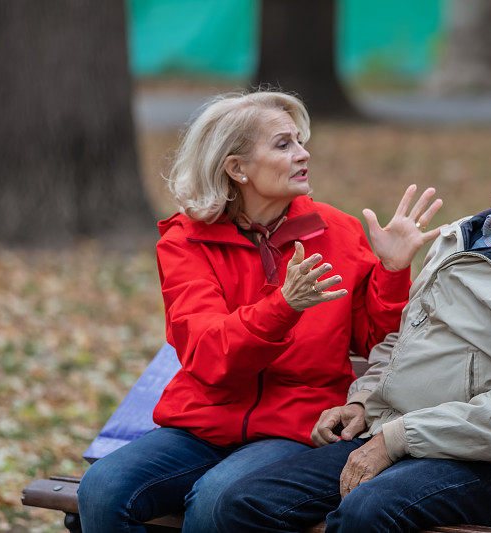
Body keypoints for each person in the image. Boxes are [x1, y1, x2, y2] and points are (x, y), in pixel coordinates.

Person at [216, 114, 491, 532]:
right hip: (388, 434)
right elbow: (403, 335)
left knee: (366, 512)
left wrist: (396, 439)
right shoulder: (458, 237)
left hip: (483, 466)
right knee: (243, 502)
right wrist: (364, 401)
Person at [76, 91, 443, 532]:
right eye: (283, 144)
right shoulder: (185, 242)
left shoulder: (339, 232)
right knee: (100, 487)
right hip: (204, 421)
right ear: (237, 168)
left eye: (300, 141)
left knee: (215, 500)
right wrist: (284, 306)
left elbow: (378, 342)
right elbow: (211, 356)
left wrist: (393, 270)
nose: (304, 153)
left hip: (295, 427)